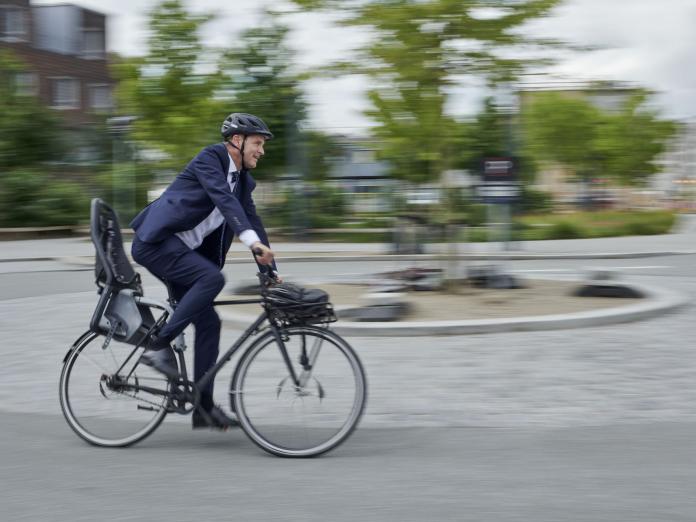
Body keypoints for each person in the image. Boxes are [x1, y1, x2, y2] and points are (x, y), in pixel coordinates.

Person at [130, 112, 279, 430]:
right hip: (156, 243)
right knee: (211, 279)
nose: (261, 151)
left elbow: (251, 220)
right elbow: (224, 201)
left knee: (210, 322)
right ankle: (157, 348)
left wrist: (269, 270)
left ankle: (204, 407)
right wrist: (253, 245)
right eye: (257, 143)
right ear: (237, 141)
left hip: (180, 252)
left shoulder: (243, 182)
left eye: (262, 145)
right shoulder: (210, 159)